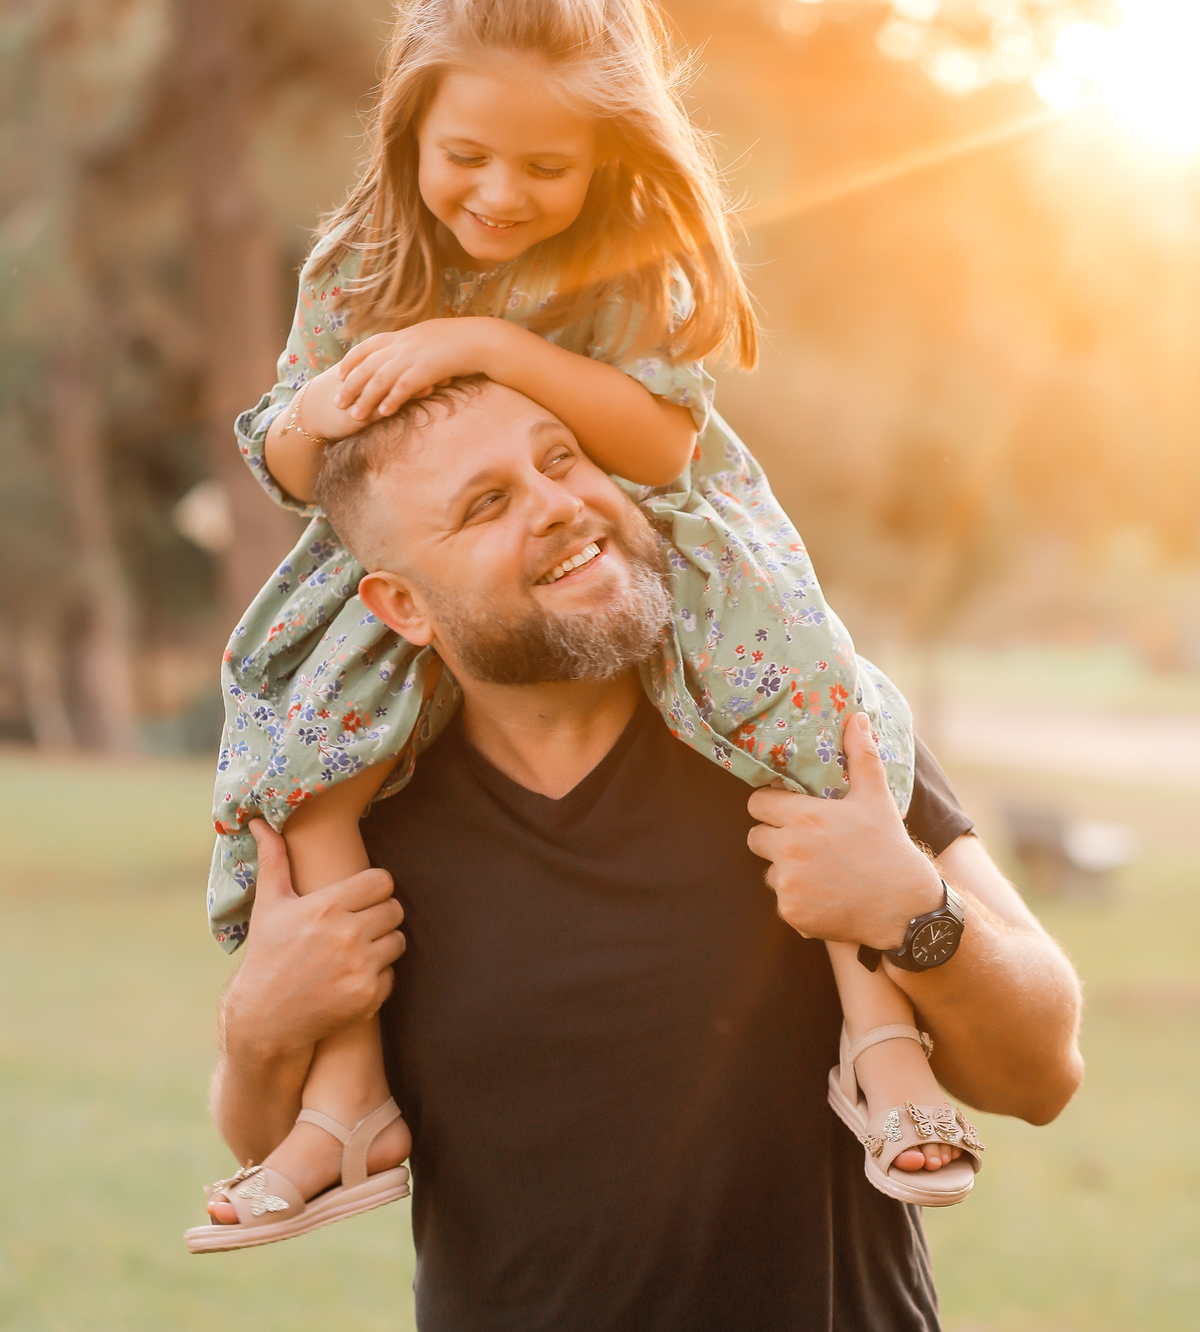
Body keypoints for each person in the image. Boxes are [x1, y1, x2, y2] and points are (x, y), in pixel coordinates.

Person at [197, 0, 974, 1245]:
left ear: (606, 157)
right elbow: (288, 459)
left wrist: (481, 351)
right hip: (416, 566)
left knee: (800, 709)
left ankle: (878, 1034)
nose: (501, 196)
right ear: (411, 133)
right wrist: (321, 412)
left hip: (647, 543)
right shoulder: (359, 262)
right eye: (468, 158)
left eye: (543, 170)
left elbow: (665, 445)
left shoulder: (629, 257)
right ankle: (347, 1099)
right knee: (299, 772)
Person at [200, 378, 1084, 1326]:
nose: (558, 505)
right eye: (487, 503)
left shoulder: (794, 726)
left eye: (561, 458)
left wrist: (914, 912)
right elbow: (287, 1140)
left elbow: (1041, 1074)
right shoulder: (361, 818)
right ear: (402, 604)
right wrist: (254, 1032)